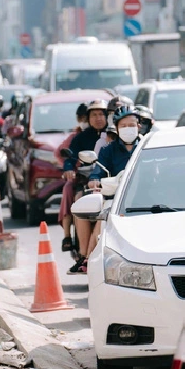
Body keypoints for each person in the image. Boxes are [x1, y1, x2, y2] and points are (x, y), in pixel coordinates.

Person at [75, 105, 142, 274]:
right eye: (124, 126)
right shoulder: (107, 150)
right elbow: (97, 172)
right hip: (116, 199)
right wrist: (94, 181)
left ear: (139, 126)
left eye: (132, 125)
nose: (128, 129)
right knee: (102, 218)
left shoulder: (146, 147)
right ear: (117, 128)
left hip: (145, 199)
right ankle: (89, 259)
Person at [63, 99, 108, 273]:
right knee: (79, 200)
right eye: (94, 114)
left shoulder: (113, 135)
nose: (98, 118)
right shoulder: (81, 138)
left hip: (111, 183)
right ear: (88, 117)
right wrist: (68, 169)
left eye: (101, 114)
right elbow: (71, 158)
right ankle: (83, 255)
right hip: (88, 182)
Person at [56, 102, 89, 252]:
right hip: (80, 177)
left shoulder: (107, 136)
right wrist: (69, 168)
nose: (86, 121)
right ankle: (67, 235)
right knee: (69, 189)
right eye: (82, 118)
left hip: (101, 178)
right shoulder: (76, 137)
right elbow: (61, 153)